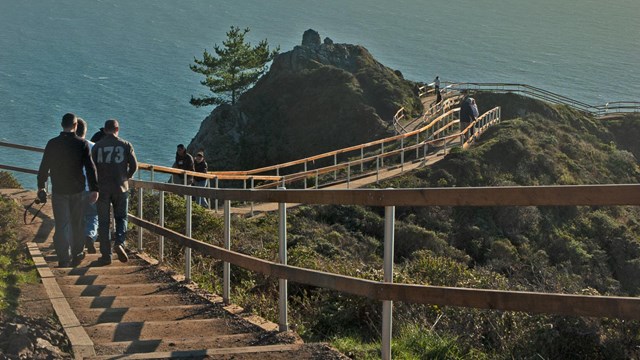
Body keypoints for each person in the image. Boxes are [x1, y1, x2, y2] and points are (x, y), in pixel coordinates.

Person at [37, 113, 99, 267]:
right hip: (77, 191)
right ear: (75, 125)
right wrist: (94, 189)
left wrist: (41, 186)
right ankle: (78, 254)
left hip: (58, 190)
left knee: (62, 224)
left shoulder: (52, 143)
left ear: (61, 124)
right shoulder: (82, 144)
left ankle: (63, 258)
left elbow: (44, 167)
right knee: (77, 223)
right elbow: (91, 168)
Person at [92, 119, 138, 265]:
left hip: (102, 189)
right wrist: (126, 177)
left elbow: (91, 168)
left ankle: (106, 255)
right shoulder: (125, 145)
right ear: (117, 129)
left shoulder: (97, 147)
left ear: (105, 130)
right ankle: (120, 242)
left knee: (104, 222)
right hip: (121, 187)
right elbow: (134, 166)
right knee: (121, 218)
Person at [75, 118, 99, 254]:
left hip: (74, 189)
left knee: (75, 217)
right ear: (85, 131)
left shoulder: (69, 146)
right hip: (91, 188)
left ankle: (76, 245)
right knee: (92, 215)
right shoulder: (94, 147)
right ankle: (89, 235)